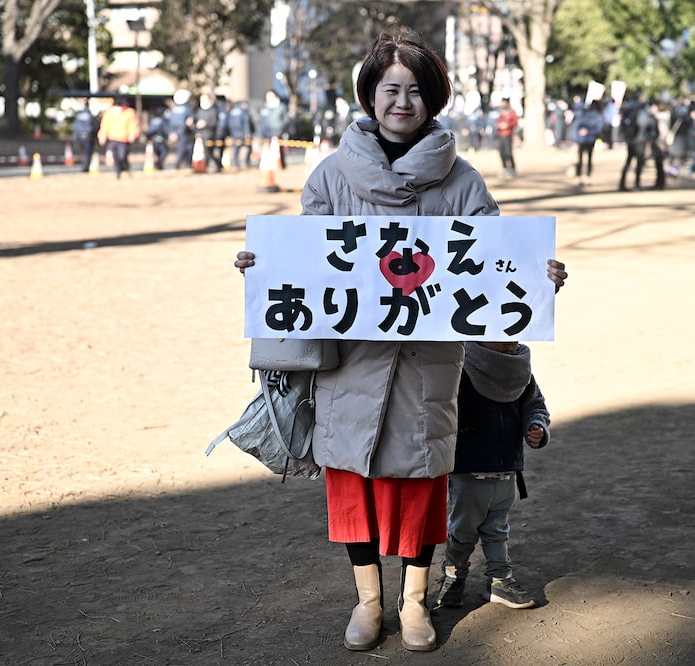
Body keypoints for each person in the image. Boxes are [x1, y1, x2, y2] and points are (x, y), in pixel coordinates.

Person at [233, 27, 568, 653]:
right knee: (352, 487)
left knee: (419, 485)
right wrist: (267, 269)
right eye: (391, 89)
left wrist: (535, 278)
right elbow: (307, 259)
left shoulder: (463, 183)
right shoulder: (330, 177)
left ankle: (413, 604)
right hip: (349, 366)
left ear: (433, 97)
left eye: (416, 90)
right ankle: (368, 602)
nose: (402, 102)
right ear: (370, 94)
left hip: (427, 368)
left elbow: (496, 267)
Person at [433, 340, 549, 611]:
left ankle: (500, 581)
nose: (511, 341)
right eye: (503, 333)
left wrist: (536, 426)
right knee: (462, 531)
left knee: (497, 530)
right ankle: (452, 578)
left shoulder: (520, 367)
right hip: (467, 470)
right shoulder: (459, 366)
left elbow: (535, 405)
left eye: (515, 333)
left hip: (507, 469)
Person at [97, 94, 140, 179]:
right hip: (112, 139)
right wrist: (102, 135)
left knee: (122, 156)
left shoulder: (129, 112)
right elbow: (105, 125)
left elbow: (133, 125)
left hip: (124, 139)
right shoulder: (109, 113)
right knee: (115, 157)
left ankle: (126, 168)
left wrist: (132, 134)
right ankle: (117, 173)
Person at [618, 92, 655, 191]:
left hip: (631, 140)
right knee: (639, 162)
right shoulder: (642, 109)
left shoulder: (629, 108)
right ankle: (637, 184)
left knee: (628, 161)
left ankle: (622, 183)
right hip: (640, 140)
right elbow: (643, 123)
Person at [573, 100, 604, 187]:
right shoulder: (598, 116)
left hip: (582, 139)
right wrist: (590, 132)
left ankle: (579, 177)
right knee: (589, 158)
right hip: (590, 139)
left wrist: (580, 134)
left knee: (580, 158)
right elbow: (599, 129)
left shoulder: (584, 114)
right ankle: (588, 176)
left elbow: (577, 125)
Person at [259, 89, 289, 165]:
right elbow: (261, 121)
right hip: (266, 132)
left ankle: (280, 165)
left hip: (278, 132)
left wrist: (281, 127)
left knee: (278, 151)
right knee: (267, 151)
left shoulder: (281, 107)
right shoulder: (264, 108)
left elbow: (286, 119)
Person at [168, 89, 195, 169]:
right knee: (187, 149)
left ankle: (180, 164)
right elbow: (191, 119)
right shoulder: (188, 108)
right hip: (186, 132)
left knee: (181, 148)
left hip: (177, 131)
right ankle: (182, 164)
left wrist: (172, 132)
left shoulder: (174, 109)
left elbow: (171, 122)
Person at [494, 97, 518, 178]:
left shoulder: (512, 113)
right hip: (500, 135)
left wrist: (508, 126)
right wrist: (499, 125)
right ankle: (505, 168)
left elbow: (515, 123)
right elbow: (497, 122)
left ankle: (512, 169)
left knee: (508, 153)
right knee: (502, 153)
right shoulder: (501, 113)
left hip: (508, 135)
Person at [226, 99, 254, 169]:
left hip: (234, 133)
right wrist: (247, 133)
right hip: (242, 133)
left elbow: (229, 123)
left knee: (235, 150)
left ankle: (234, 164)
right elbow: (246, 123)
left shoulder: (232, 112)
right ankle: (245, 162)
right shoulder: (243, 112)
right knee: (248, 147)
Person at [71, 100, 97, 172]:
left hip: (80, 136)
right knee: (87, 153)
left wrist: (74, 138)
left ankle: (85, 166)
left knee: (84, 152)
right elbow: (95, 127)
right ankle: (85, 167)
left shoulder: (78, 116)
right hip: (88, 137)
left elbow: (75, 127)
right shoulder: (90, 116)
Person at [145, 106, 169, 170]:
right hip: (160, 139)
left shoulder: (153, 120)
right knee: (164, 152)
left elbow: (150, 131)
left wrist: (148, 137)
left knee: (158, 153)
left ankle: (159, 166)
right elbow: (165, 130)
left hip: (154, 140)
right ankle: (159, 164)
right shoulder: (162, 120)